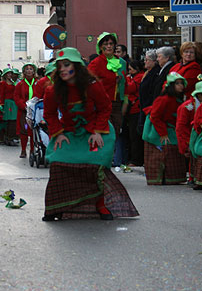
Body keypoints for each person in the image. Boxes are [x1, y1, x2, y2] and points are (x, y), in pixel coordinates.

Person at [42, 47, 139, 221]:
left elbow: (105, 108)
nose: (63, 69)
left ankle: (100, 204)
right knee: (57, 164)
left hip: (95, 131)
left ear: (77, 67)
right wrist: (58, 133)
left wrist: (97, 131)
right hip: (69, 133)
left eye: (67, 65)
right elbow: (49, 114)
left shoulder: (92, 85)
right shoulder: (52, 90)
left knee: (96, 165)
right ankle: (56, 207)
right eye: (60, 66)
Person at [142, 73, 187, 185]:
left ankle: (172, 177)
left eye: (182, 83)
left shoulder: (177, 100)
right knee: (162, 153)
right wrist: (163, 133)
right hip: (158, 130)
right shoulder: (163, 99)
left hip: (169, 128)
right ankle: (161, 178)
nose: (181, 86)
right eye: (177, 83)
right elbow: (155, 117)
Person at [87, 33, 129, 145]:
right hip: (101, 105)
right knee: (105, 135)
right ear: (100, 47)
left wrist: (125, 102)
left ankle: (110, 161)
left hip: (117, 105)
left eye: (111, 43)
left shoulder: (122, 63)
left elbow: (125, 84)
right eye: (106, 44)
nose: (109, 46)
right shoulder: (95, 63)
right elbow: (88, 84)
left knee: (115, 135)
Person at [177, 78, 202, 186]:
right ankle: (193, 177)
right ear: (198, 95)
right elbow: (181, 127)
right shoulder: (186, 107)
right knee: (194, 157)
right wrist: (185, 144)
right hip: (193, 135)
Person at [14, 62, 38, 158]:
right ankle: (23, 150)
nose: (29, 71)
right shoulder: (20, 84)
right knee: (24, 130)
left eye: (31, 69)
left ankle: (32, 149)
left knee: (34, 130)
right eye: (27, 69)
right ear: (24, 71)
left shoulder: (38, 83)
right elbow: (16, 97)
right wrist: (23, 106)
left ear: (34, 71)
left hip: (35, 111)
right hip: (24, 111)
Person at [125, 60, 144, 166]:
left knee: (135, 136)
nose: (129, 71)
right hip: (132, 109)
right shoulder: (134, 77)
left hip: (135, 109)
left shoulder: (139, 77)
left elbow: (129, 88)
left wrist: (126, 79)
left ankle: (136, 159)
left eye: (131, 69)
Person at [0, 68, 18, 145]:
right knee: (7, 121)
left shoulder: (12, 82)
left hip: (13, 103)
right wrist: (1, 105)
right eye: (8, 73)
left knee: (13, 121)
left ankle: (10, 137)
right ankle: (5, 138)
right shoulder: (2, 83)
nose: (10, 75)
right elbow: (1, 94)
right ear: (5, 75)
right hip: (6, 103)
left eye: (10, 73)